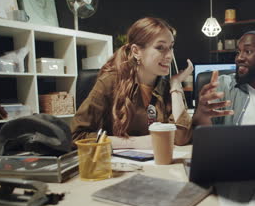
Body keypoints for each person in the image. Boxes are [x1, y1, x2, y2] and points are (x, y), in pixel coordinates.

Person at [71, 17, 193, 149]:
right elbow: (76, 136)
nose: (169, 55)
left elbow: (181, 138)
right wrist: (135, 143)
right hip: (117, 167)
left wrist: (175, 84)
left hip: (157, 166)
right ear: (136, 51)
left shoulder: (165, 87)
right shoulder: (110, 81)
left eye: (171, 47)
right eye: (160, 47)